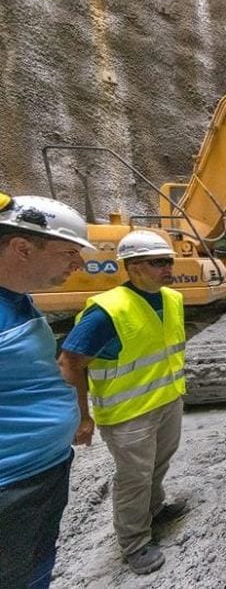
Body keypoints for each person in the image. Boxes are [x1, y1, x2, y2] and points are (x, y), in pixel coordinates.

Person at [58, 230, 188, 576]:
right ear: (132, 266)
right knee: (134, 478)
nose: (167, 268)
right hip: (128, 414)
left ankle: (154, 509)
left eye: (169, 261)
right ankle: (134, 542)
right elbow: (70, 361)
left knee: (158, 465)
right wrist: (82, 417)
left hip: (167, 401)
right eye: (157, 262)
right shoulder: (107, 312)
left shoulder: (173, 299)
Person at [0, 191, 95, 588]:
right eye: (68, 252)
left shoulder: (16, 300)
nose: (79, 263)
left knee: (36, 571)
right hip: (11, 487)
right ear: (22, 247)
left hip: (40, 474)